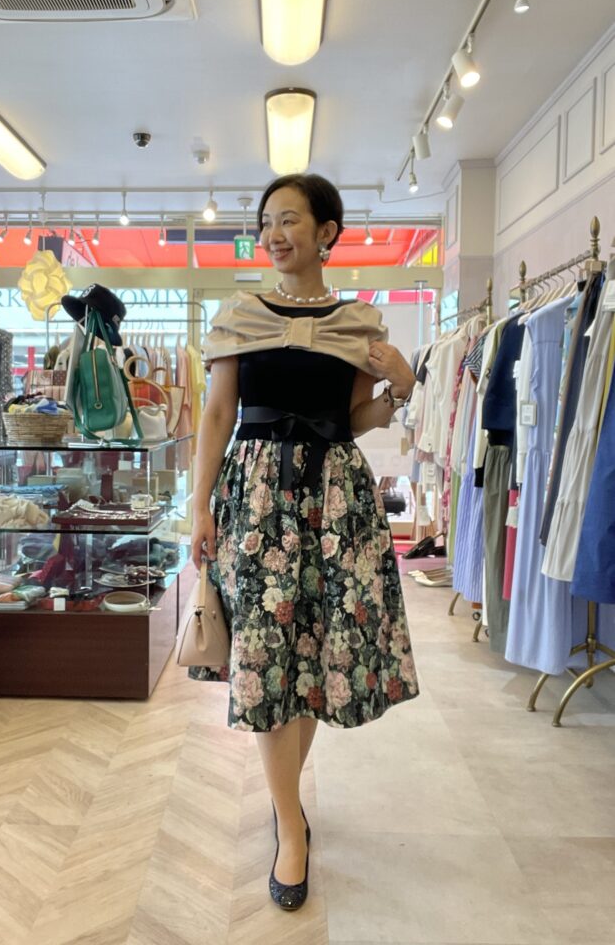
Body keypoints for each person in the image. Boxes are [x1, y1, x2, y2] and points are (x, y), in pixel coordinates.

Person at [189, 173, 420, 911]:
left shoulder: (357, 323)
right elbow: (217, 414)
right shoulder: (239, 316)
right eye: (266, 222)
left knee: (315, 653)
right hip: (256, 500)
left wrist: (401, 388)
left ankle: (284, 803)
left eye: (288, 219)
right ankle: (291, 826)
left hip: (335, 499)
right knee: (264, 659)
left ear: (327, 232)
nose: (273, 234)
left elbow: (355, 419)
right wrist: (199, 505)